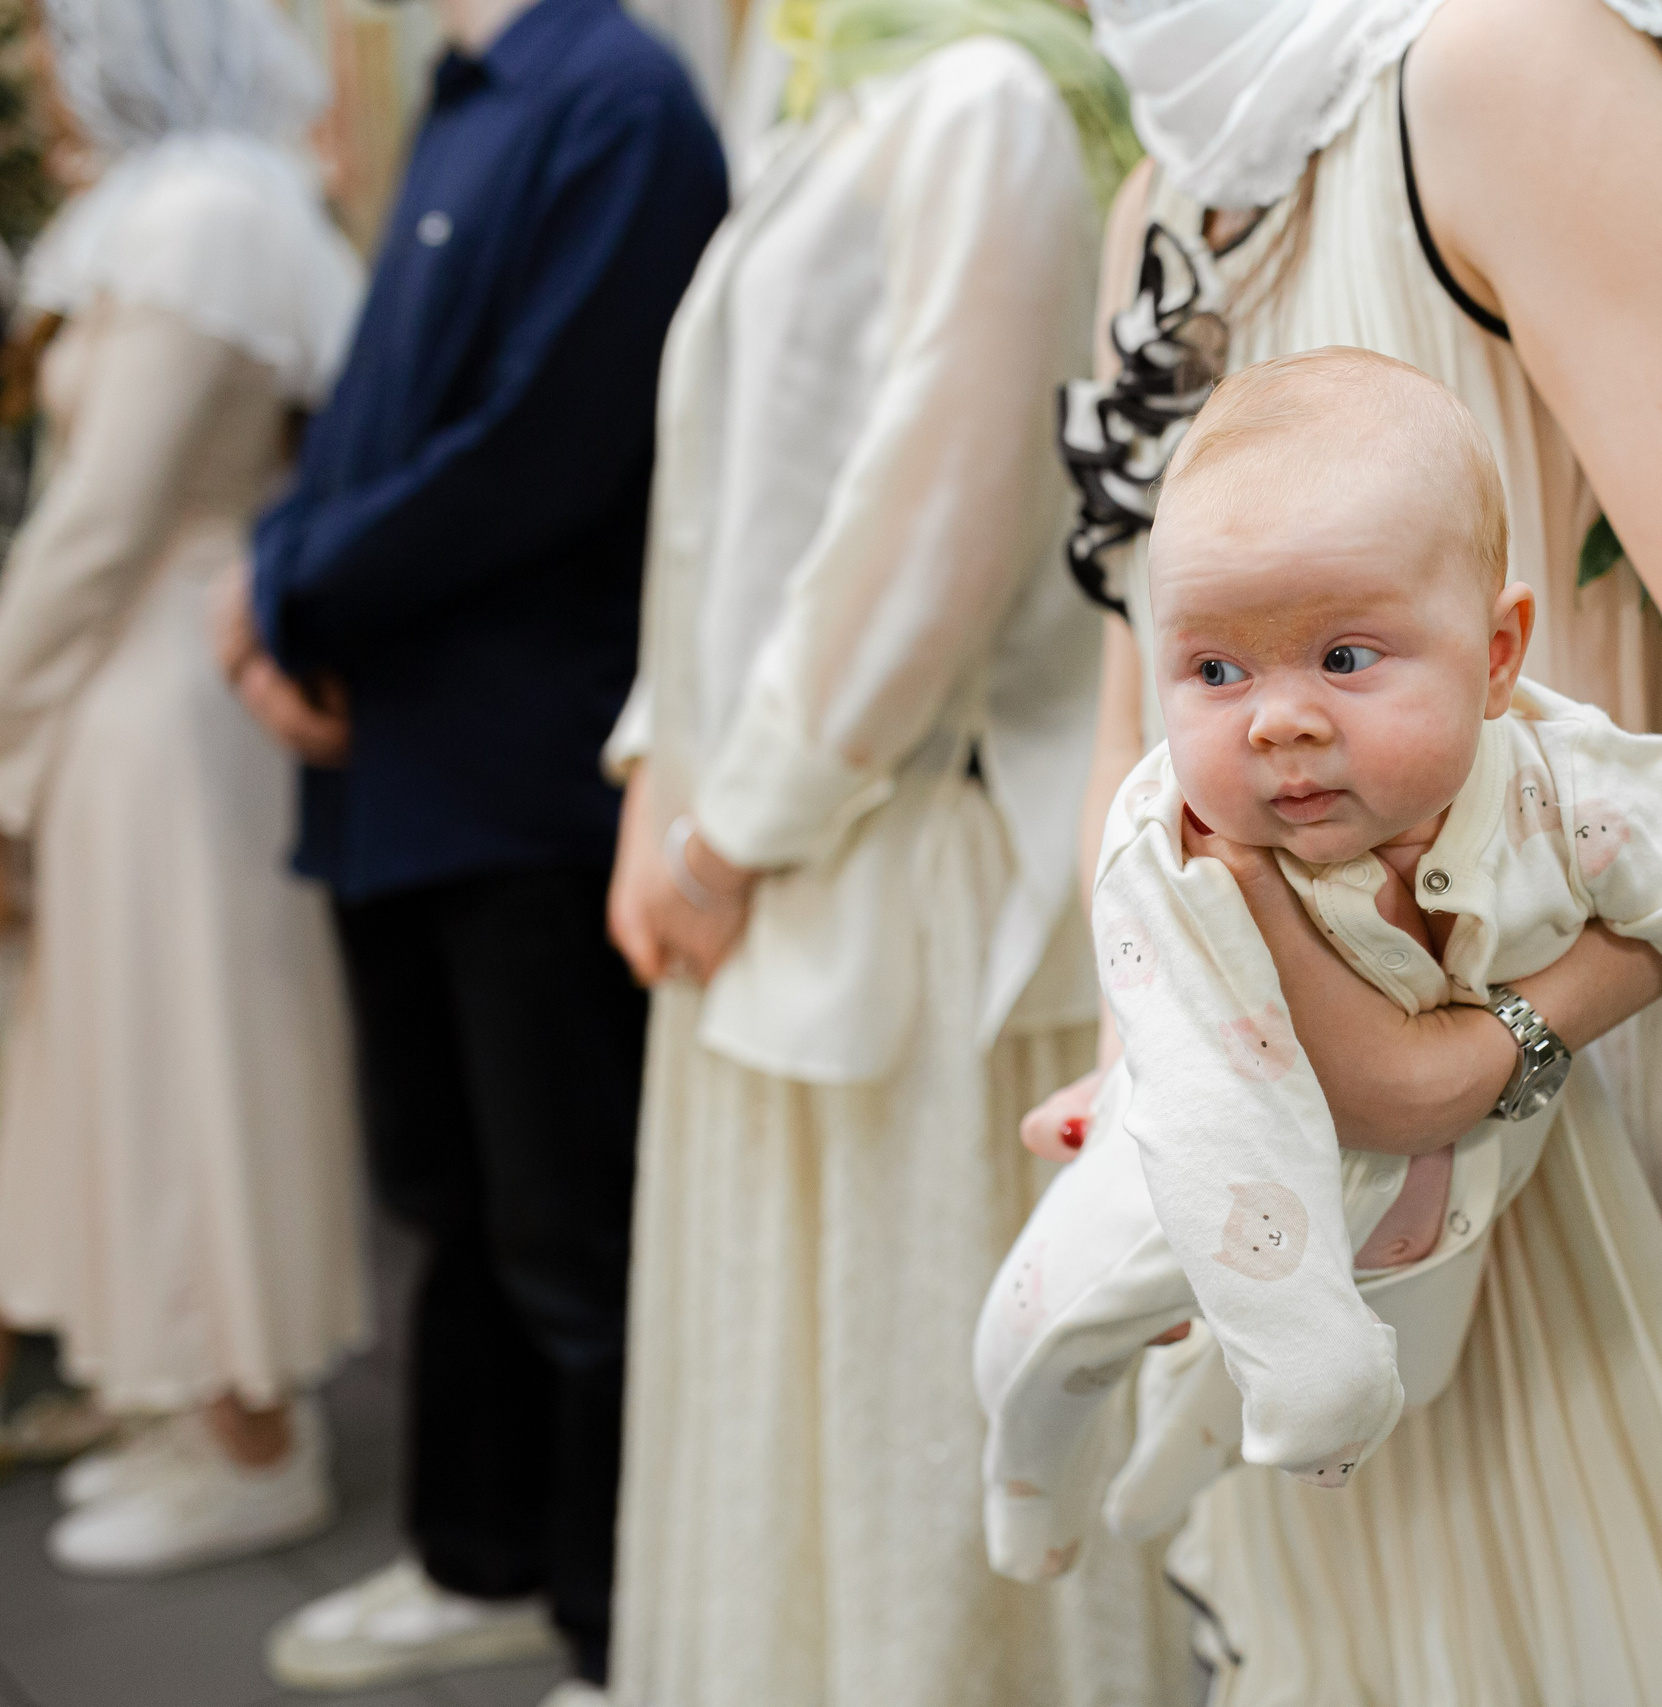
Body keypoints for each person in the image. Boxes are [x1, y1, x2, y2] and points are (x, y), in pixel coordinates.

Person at [1034, 0, 1662, 1695]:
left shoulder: (1505, 66)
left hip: (1587, 1121)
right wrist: (1156, 1079)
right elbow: (1141, 733)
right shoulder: (1165, 186)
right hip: (1302, 1165)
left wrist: (1477, 1054)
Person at [980, 348, 1662, 1592]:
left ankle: (1171, 1473)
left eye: (1344, 658)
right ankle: (1029, 1484)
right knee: (1048, 1330)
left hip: (1447, 1200)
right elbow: (1216, 1116)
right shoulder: (1176, 856)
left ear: (1498, 652)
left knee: (1383, 1378)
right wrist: (1309, 1366)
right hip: (1197, 1175)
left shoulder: (1562, 784)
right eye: (1214, 672)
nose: (1276, 720)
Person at [599, 2, 1189, 1702]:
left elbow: (930, 530)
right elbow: (729, 506)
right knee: (789, 1417)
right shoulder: (841, 87)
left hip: (906, 878)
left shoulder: (986, 100)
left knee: (898, 1423)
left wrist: (725, 833)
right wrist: (656, 769)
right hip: (786, 849)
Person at [225, 0, 726, 1697]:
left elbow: (543, 447)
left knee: (569, 1227)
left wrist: (291, 593)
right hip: (408, 764)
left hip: (527, 770)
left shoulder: (616, 99)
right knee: (447, 1195)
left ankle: (619, 1621)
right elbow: (371, 413)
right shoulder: (473, 97)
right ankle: (480, 1554)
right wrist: (276, 587)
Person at [0, 0, 367, 1579]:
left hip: (165, 695)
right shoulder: (187, 205)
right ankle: (183, 1396)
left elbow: (97, 526)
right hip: (130, 689)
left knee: (194, 1058)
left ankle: (252, 1435)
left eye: (55, 33)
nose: (40, 67)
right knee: (138, 1057)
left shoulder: (204, 218)